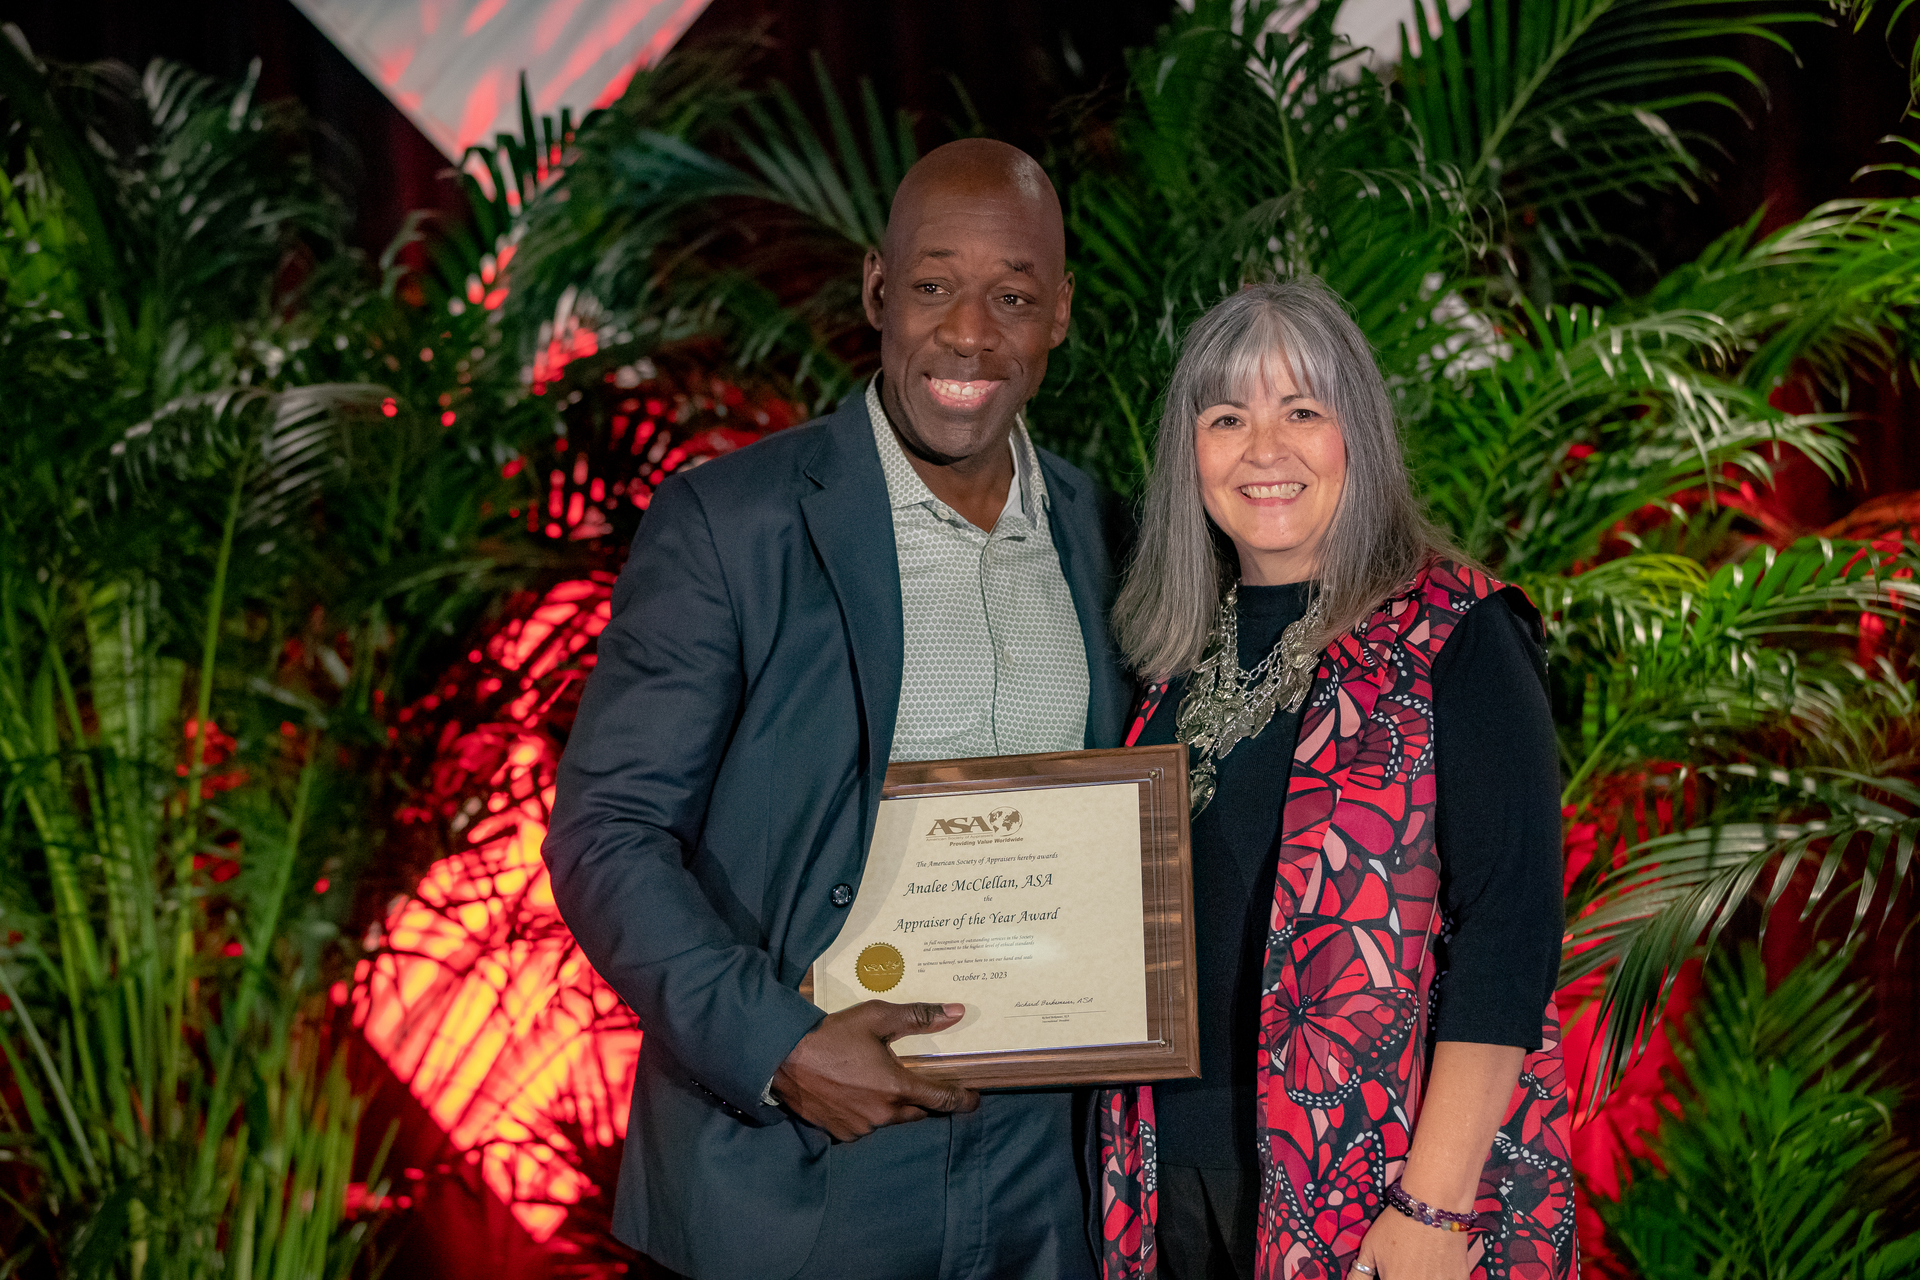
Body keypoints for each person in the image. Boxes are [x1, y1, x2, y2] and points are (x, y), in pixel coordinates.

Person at [542, 138, 1128, 1280]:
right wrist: (784, 1048)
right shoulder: (732, 522)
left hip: (1046, 1175)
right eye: (932, 286)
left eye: (1013, 295)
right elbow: (605, 834)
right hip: (797, 1166)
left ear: (1060, 311)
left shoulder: (1109, 534)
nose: (970, 331)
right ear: (876, 289)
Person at [1094, 280, 1576, 1280]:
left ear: (1356, 433)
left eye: (1301, 411)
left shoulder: (1459, 634)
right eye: (1227, 417)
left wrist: (1431, 1209)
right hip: (1162, 1189)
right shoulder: (1163, 669)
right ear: (1192, 455)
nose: (1262, 448)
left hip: (1373, 1199)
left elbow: (1509, 934)